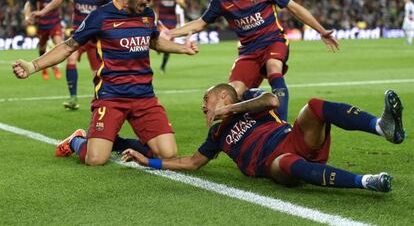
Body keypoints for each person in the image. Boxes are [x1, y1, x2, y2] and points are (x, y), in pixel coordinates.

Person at [12, 0, 198, 166]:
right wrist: (33, 66)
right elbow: (68, 47)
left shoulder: (148, 15)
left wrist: (182, 48)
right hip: (111, 96)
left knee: (167, 154)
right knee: (95, 159)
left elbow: (154, 42)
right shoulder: (101, 16)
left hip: (144, 96)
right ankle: (76, 140)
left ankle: (115, 142)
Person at [122, 84, 405, 193]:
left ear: (222, 96)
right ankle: (366, 181)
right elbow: (192, 162)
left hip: (296, 138)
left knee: (315, 106)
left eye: (206, 99)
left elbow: (271, 99)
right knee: (285, 164)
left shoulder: (249, 101)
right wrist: (149, 161)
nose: (203, 106)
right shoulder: (216, 134)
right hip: (274, 162)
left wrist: (230, 109)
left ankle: (381, 127)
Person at [164, 0, 339, 122]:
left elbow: (294, 8)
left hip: (273, 40)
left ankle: (283, 125)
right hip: (248, 51)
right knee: (234, 92)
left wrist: (322, 31)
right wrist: (171, 33)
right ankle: (255, 103)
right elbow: (201, 22)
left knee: (273, 68)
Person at [31, 0, 114, 110]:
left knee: (97, 71)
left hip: (96, 38)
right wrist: (42, 11)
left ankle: (101, 99)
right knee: (70, 60)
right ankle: (73, 98)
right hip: (78, 35)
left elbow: (118, 7)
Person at [23, 0, 63, 80]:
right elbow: (28, 4)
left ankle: (55, 67)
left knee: (59, 44)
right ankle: (43, 68)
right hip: (43, 24)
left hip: (55, 22)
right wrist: (27, 16)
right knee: (42, 48)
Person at [153, 0, 186, 73]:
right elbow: (152, 4)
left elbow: (184, 6)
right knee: (159, 43)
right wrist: (155, 15)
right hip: (161, 21)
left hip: (172, 22)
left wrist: (180, 2)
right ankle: (159, 49)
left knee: (167, 44)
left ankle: (163, 65)